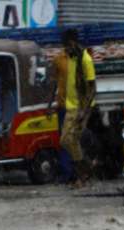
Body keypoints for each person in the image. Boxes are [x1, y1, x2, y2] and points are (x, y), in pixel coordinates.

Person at [50, 28, 96, 188]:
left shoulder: (85, 60)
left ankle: (81, 175)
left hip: (81, 107)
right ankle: (87, 168)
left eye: (67, 46)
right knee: (66, 141)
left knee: (70, 140)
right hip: (70, 106)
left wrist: (84, 110)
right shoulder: (72, 58)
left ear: (73, 43)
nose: (65, 49)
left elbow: (92, 88)